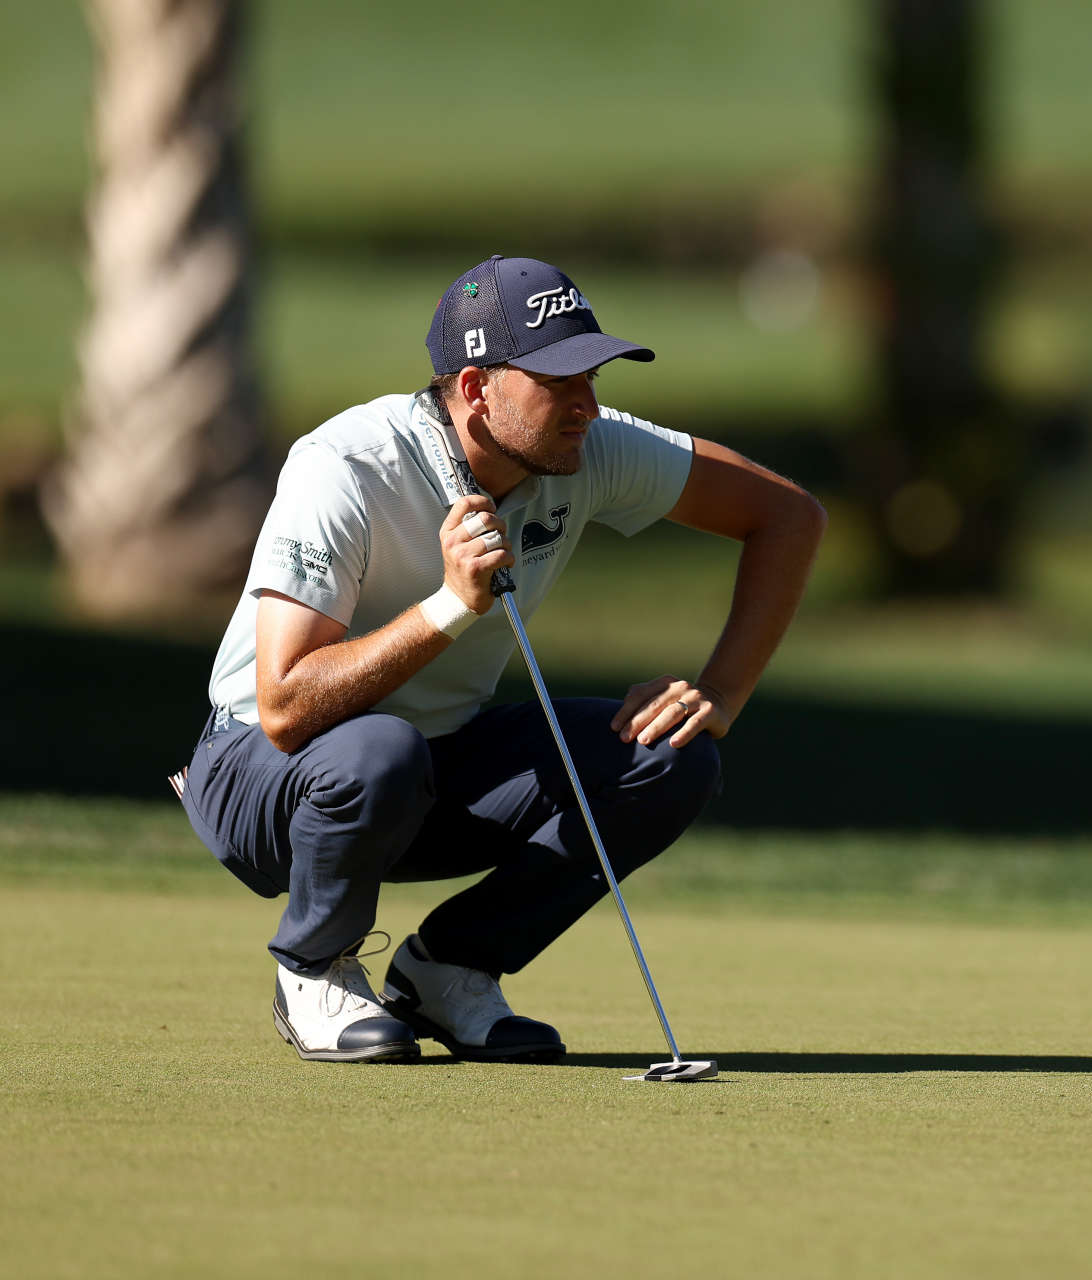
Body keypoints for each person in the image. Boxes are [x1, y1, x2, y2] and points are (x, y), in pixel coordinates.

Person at [173, 255, 826, 1063]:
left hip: (430, 770)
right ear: (478, 388)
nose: (588, 403)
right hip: (260, 774)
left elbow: (789, 517)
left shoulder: (588, 448)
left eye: (593, 374)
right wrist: (447, 608)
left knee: (669, 759)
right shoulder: (346, 468)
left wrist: (722, 694)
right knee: (380, 749)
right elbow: (284, 708)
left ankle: (449, 971)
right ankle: (317, 968)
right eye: (559, 381)